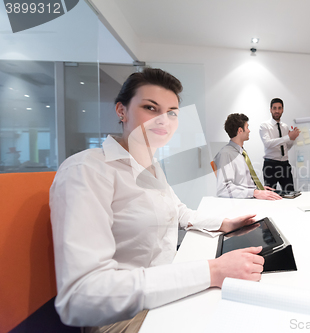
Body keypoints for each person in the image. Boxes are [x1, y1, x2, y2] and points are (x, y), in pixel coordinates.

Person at [49, 68, 265, 331]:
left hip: (164, 290)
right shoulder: (87, 170)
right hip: (124, 317)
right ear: (121, 111)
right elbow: (81, 297)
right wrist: (212, 272)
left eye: (172, 112)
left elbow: (180, 212)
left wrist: (225, 224)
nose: (164, 120)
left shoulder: (151, 167)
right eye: (151, 108)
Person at [214, 113, 282, 200]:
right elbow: (223, 189)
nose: (249, 131)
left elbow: (242, 182)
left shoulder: (241, 152)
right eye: (247, 127)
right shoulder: (226, 154)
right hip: (242, 204)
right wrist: (255, 193)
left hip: (250, 199)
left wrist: (259, 189)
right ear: (240, 130)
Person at [259, 98, 300, 191]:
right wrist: (287, 137)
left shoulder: (285, 127)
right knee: (270, 195)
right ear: (270, 109)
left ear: (282, 110)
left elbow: (286, 147)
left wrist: (292, 139)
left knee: (290, 193)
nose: (277, 111)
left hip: (285, 165)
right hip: (270, 165)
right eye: (274, 108)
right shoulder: (264, 125)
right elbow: (267, 144)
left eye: (279, 108)